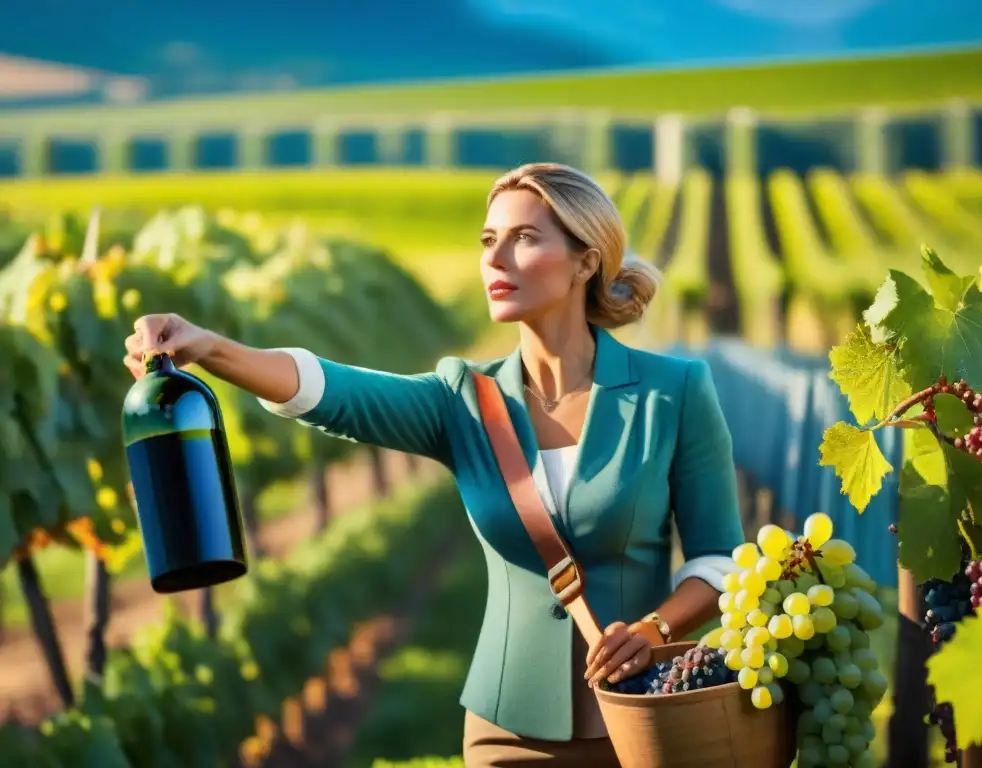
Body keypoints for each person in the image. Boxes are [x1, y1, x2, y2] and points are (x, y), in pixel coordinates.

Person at [124, 162, 745, 766]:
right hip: (508, 729)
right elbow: (332, 391)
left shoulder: (673, 391)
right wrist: (211, 347)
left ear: (586, 260)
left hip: (645, 723)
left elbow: (719, 558)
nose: (496, 260)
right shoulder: (463, 402)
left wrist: (657, 628)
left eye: (524, 238)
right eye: (488, 240)